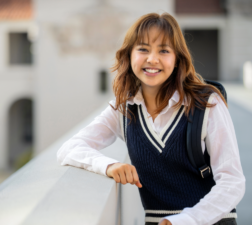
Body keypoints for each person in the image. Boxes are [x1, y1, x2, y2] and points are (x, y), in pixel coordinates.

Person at [57, 12, 245, 225]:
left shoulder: (207, 103)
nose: (152, 59)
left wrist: (186, 220)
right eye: (143, 49)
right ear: (129, 55)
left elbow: (232, 181)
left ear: (177, 59)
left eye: (164, 51)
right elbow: (69, 148)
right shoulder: (123, 109)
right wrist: (108, 166)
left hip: (210, 221)